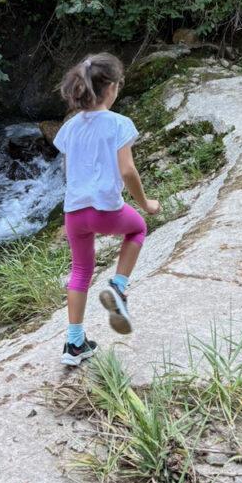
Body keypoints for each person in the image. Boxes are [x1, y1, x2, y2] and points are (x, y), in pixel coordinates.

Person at [53, 52, 160, 365]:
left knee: (81, 271)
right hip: (106, 210)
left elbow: (70, 171)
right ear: (111, 88)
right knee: (138, 227)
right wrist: (146, 203)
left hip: (75, 213)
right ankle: (119, 286)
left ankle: (74, 344)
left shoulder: (71, 127)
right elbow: (127, 171)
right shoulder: (119, 124)